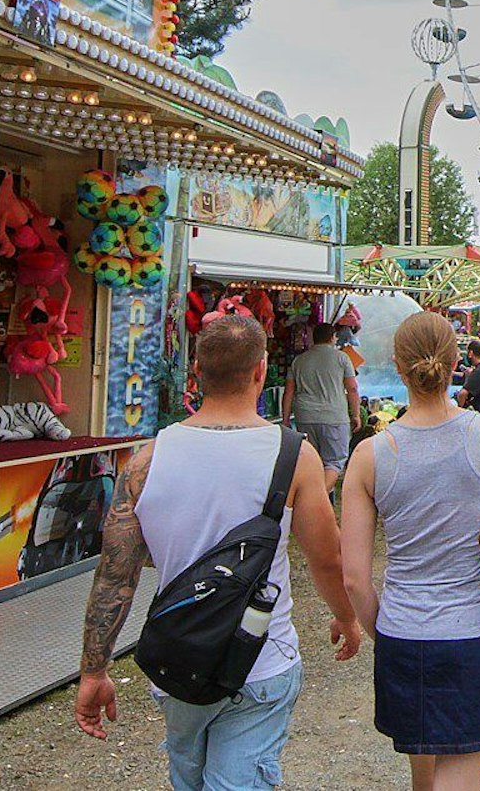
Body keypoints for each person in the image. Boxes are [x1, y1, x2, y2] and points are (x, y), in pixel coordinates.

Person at [76, 314, 361, 790]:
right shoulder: (294, 456)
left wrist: (93, 670)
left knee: (187, 778)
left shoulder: (146, 461)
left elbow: (114, 577)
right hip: (261, 658)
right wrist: (347, 617)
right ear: (260, 371)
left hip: (179, 661)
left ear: (196, 373)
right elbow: (326, 558)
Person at [341, 310, 480, 789]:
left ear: (398, 366)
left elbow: (353, 578)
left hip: (402, 632)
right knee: (459, 771)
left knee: (423, 769)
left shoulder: (370, 455)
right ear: (458, 363)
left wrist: (384, 631)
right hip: (470, 633)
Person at [285, 322, 359, 488]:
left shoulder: (298, 360)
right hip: (334, 417)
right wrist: (355, 414)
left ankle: (312, 497)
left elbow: (289, 391)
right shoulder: (342, 358)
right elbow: (352, 389)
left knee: (312, 461)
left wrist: (285, 419)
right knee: (334, 462)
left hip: (305, 417)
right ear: (332, 337)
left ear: (314, 338)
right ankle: (319, 498)